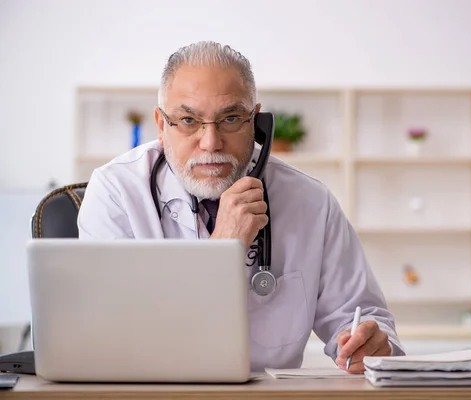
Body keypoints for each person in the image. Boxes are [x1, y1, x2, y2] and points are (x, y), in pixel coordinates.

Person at [77, 41, 404, 373]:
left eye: (230, 118)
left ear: (256, 122)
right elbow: (111, 337)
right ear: (161, 126)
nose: (211, 143)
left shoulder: (310, 202)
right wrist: (223, 249)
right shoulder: (116, 192)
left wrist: (372, 343)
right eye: (189, 120)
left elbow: (360, 316)